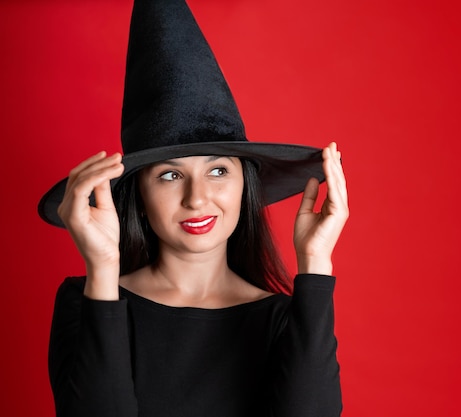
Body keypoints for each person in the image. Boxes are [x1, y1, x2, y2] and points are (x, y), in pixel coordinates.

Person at [37, 0, 348, 416]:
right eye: (169, 175)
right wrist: (104, 269)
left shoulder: (282, 319)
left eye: (218, 171)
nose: (197, 198)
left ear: (244, 187)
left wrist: (315, 266)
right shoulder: (89, 299)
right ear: (139, 197)